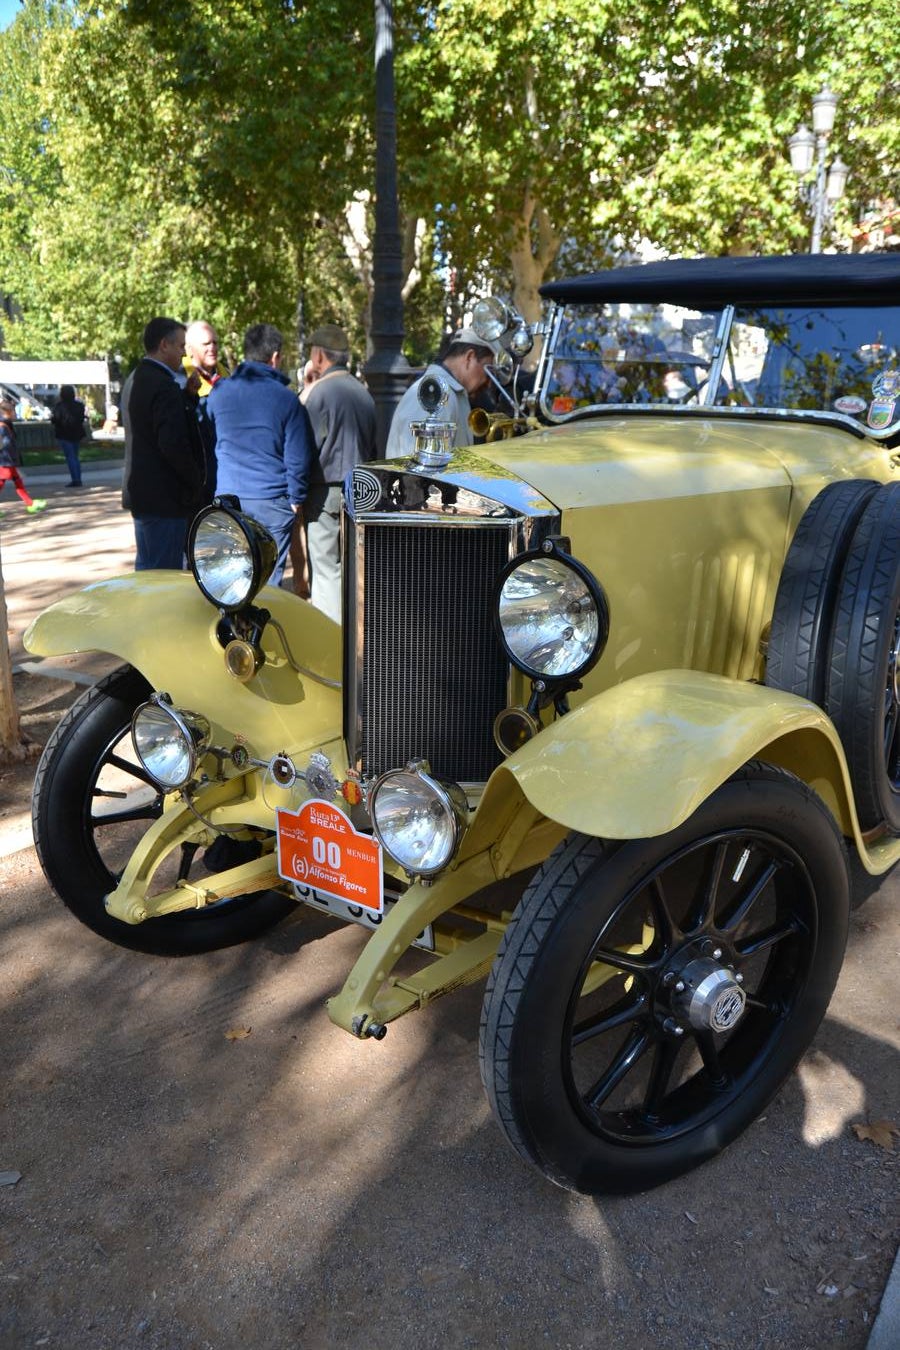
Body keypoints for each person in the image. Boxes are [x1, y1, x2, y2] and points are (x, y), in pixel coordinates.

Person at [206, 323, 313, 587]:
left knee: (229, 579)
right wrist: (295, 500)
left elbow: (210, 434)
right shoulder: (287, 400)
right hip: (271, 502)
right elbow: (298, 457)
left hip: (228, 499)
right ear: (275, 357)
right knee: (266, 583)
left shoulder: (219, 393)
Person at [302, 323, 376, 622]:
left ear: (319, 356)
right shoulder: (364, 393)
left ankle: (329, 632)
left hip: (323, 490)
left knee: (325, 568)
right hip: (359, 487)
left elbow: (307, 447)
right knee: (352, 564)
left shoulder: (319, 394)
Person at [121, 316, 207, 570]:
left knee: (147, 569)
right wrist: (196, 480)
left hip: (143, 494)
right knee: (163, 576)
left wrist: (187, 398)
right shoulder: (163, 385)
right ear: (164, 345)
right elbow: (172, 443)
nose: (184, 354)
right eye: (181, 346)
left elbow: (150, 424)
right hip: (164, 498)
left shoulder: (137, 379)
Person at [385, 327, 496, 458]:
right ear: (470, 358)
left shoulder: (447, 393)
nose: (488, 382)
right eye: (488, 370)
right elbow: (422, 472)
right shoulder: (436, 396)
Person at [183, 319, 228, 501]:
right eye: (206, 344)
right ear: (189, 349)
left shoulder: (225, 374)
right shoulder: (180, 379)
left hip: (225, 473)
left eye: (215, 342)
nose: (212, 348)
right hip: (198, 477)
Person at [0, 400, 46, 514]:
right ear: (8, 412)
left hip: (8, 460)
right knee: (3, 483)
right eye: (14, 411)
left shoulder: (6, 424)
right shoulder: (3, 426)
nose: (16, 414)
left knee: (18, 483)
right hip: (5, 461)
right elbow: (5, 445)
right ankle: (30, 504)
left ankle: (30, 504)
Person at [50, 385, 87, 487]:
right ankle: (78, 477)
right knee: (75, 456)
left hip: (64, 433)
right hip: (76, 433)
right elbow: (81, 419)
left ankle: (75, 479)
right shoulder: (79, 405)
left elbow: (55, 420)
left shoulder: (59, 406)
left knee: (70, 457)